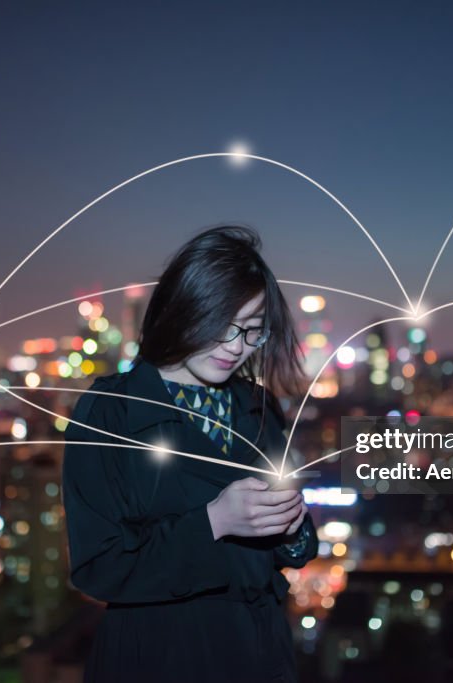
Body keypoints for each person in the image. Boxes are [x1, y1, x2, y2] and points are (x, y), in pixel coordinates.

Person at [61, 225, 317, 682]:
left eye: (252, 332)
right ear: (184, 310)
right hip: (158, 657)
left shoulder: (257, 405)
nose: (236, 347)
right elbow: (98, 569)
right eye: (222, 325)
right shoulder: (110, 412)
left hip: (259, 653)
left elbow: (293, 550)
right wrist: (214, 522)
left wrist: (292, 522)